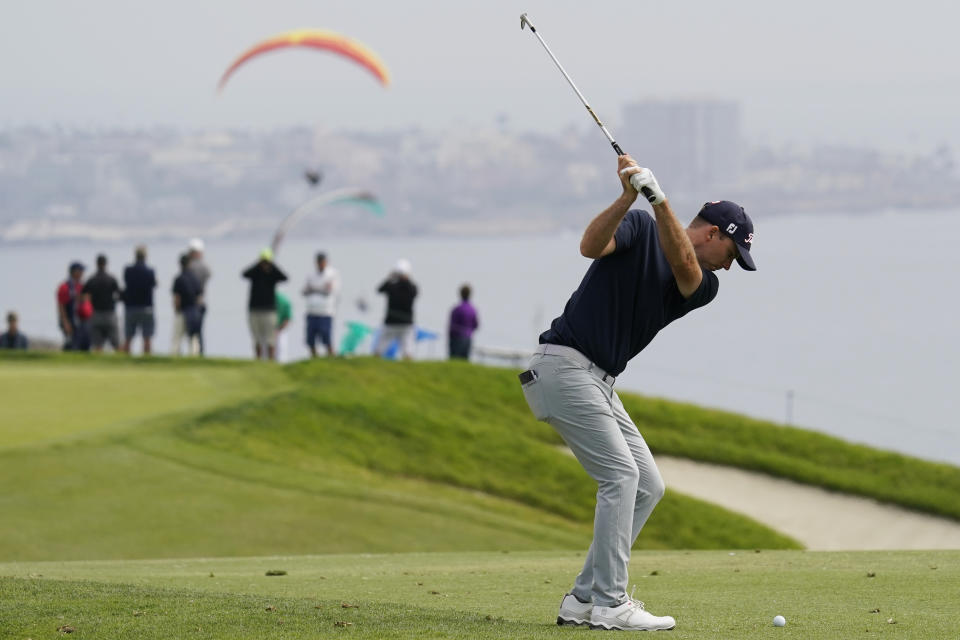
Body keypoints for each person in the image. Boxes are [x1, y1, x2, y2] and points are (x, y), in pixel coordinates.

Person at [521, 155, 756, 632]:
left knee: (649, 485)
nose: (728, 268)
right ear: (714, 232)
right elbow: (590, 246)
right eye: (732, 254)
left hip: (599, 382)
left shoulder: (703, 283)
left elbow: (685, 265)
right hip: (562, 367)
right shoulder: (639, 226)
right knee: (621, 479)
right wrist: (630, 196)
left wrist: (659, 198)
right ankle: (611, 602)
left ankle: (583, 599)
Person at [242, 248, 287, 360]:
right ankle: (258, 359)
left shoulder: (273, 273)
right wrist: (258, 264)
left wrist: (272, 265)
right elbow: (244, 274)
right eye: (263, 261)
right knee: (257, 338)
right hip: (255, 309)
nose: (265, 264)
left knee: (270, 339)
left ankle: (271, 361)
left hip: (269, 310)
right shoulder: (255, 272)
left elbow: (284, 277)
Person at [374, 259, 418, 360]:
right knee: (407, 350)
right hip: (406, 323)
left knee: (380, 349)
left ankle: (375, 360)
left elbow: (380, 289)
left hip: (391, 322)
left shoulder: (392, 286)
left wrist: (390, 278)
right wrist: (406, 278)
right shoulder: (411, 287)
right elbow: (415, 292)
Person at [82, 254, 122, 353]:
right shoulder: (111, 279)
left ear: (96, 264)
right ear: (106, 264)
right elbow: (120, 295)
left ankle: (98, 365)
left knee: (97, 345)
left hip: (95, 314)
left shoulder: (91, 280)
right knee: (116, 344)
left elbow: (83, 297)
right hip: (110, 314)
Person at [302, 252, 340, 357]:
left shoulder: (332, 274)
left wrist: (314, 289)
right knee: (310, 340)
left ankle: (331, 357)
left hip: (326, 312)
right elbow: (305, 291)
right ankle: (314, 358)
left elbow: (329, 291)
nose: (320, 264)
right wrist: (320, 288)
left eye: (322, 261)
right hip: (312, 311)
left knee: (326, 338)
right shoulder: (310, 274)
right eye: (319, 262)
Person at [122, 245, 157, 355]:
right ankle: (147, 360)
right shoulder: (150, 271)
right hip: (146, 307)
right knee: (147, 337)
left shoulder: (128, 270)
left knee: (128, 337)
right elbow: (154, 284)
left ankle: (124, 360)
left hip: (131, 307)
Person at [56, 261, 91, 351]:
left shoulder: (82, 286)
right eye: (80, 271)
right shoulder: (64, 287)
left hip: (83, 321)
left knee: (85, 343)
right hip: (70, 320)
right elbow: (61, 306)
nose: (82, 273)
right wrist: (65, 322)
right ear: (75, 272)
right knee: (73, 344)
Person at [172, 253, 202, 356]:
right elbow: (199, 296)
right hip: (193, 311)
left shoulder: (179, 278)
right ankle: (194, 355)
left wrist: (176, 310)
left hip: (182, 311)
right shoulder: (195, 278)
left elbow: (177, 297)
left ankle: (175, 355)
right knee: (193, 337)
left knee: (177, 337)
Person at [187, 238, 211, 355]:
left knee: (193, 331)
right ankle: (198, 353)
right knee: (198, 331)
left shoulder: (190, 266)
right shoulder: (204, 267)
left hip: (192, 303)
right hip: (199, 302)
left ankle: (195, 352)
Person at [448, 284, 479, 360]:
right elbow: (476, 325)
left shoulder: (457, 309)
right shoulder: (473, 310)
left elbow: (452, 326)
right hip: (468, 338)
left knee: (454, 360)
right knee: (464, 360)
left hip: (456, 339)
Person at [275, 290, 292, 363]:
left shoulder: (283, 300)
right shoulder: (284, 300)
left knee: (281, 352)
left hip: (281, 330)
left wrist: (278, 330)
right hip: (268, 330)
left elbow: (287, 318)